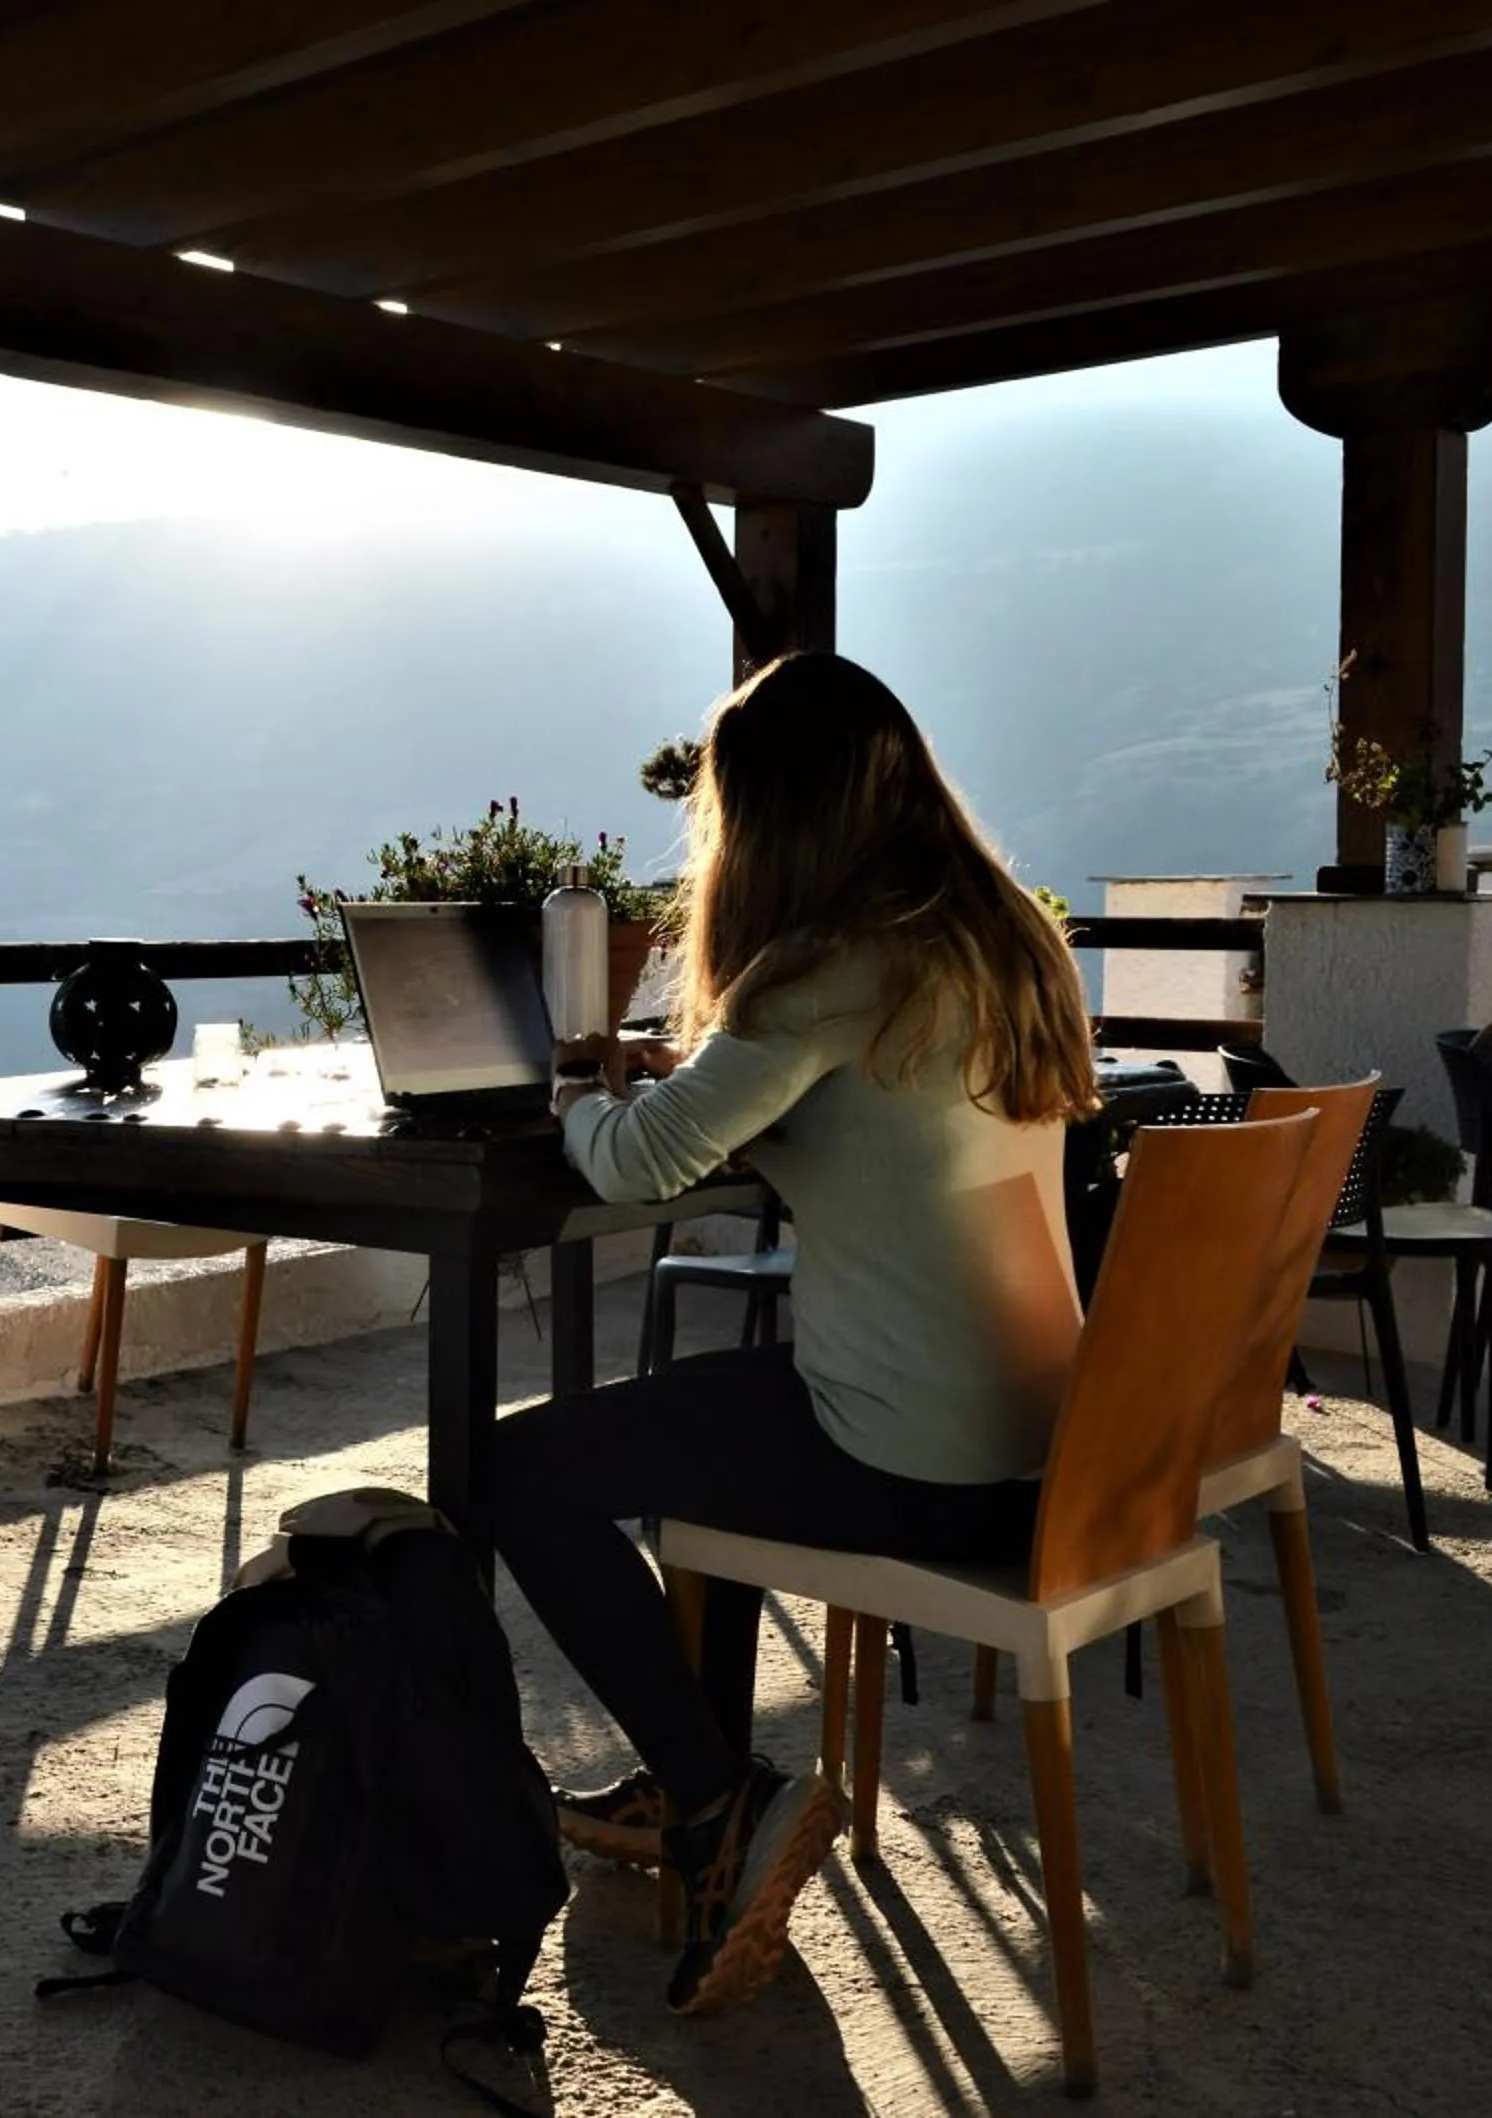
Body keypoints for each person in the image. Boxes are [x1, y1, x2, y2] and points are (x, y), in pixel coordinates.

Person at [494, 650, 1097, 2015]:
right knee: (688, 1421)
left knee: (511, 1472)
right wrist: (705, 1078)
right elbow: (853, 1113)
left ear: (773, 817)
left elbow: (640, 1165)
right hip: (1048, 1442)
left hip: (908, 1459)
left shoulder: (824, 967)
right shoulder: (1002, 942)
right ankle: (692, 1769)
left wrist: (574, 1097)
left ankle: (713, 1798)